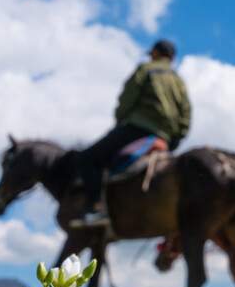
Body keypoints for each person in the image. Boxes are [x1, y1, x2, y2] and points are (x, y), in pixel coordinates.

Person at [73, 39, 191, 226]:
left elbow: (127, 100)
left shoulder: (146, 69)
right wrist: (172, 141)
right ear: (173, 58)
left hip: (137, 128)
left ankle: (95, 209)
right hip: (165, 137)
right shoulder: (179, 82)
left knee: (87, 158)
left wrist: (120, 122)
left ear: (154, 52)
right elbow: (186, 116)